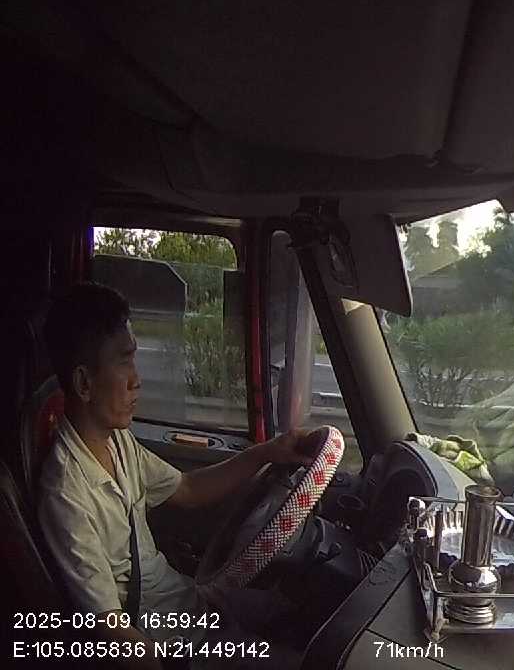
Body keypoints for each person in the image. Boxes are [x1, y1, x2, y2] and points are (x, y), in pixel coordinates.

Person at [39, 282, 313, 670]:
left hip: (190, 602)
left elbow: (186, 488)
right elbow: (110, 628)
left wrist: (268, 452)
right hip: (173, 643)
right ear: (85, 383)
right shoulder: (65, 493)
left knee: (304, 613)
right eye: (124, 362)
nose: (137, 379)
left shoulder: (116, 441)